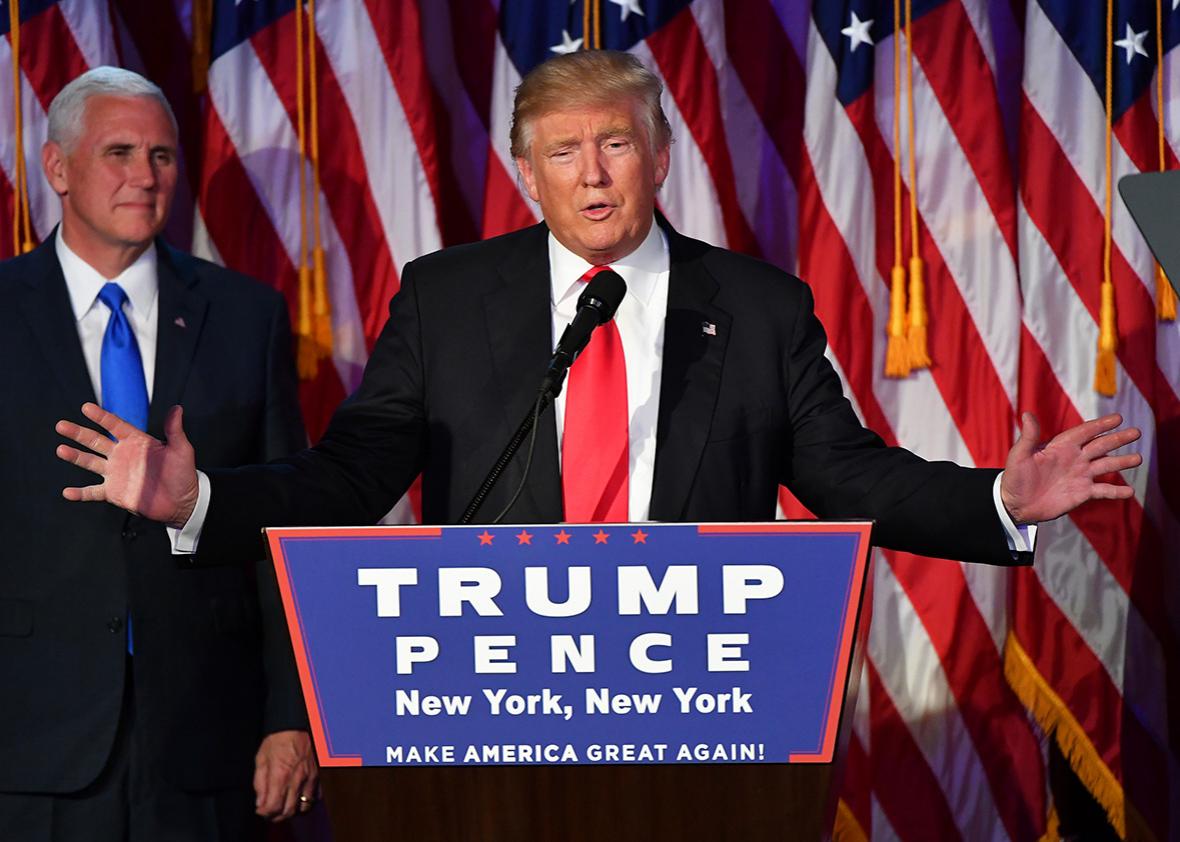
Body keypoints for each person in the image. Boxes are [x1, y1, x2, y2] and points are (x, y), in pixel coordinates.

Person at [56, 52, 1139, 577]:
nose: (594, 174)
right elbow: (350, 473)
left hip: (699, 699)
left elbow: (849, 474)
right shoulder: (448, 296)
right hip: (497, 692)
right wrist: (200, 498)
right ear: (527, 175)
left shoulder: (758, 308)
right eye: (563, 152)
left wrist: (999, 495)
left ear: (660, 156)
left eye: (616, 143)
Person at [1, 67, 317, 841]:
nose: (145, 176)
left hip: (208, 736)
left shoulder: (248, 316)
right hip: (28, 741)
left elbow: (286, 530)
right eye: (119, 152)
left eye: (163, 156)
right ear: (57, 168)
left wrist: (292, 717)